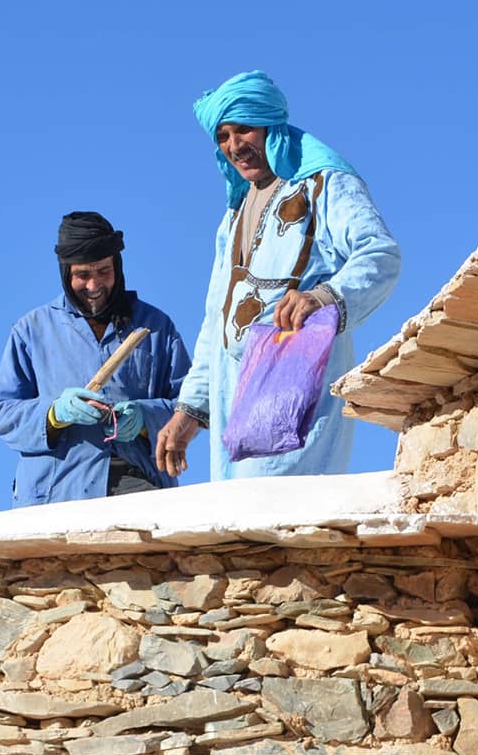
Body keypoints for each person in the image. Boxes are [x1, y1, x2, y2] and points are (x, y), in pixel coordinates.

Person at [154, 70, 401, 481]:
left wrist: (324, 296)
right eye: (223, 136)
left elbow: (380, 254)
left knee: (281, 519)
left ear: (270, 126)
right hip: (230, 394)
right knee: (235, 530)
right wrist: (190, 411)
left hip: (293, 382)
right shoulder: (232, 217)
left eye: (244, 130)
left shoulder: (324, 183)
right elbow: (216, 319)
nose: (234, 147)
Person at [0, 212, 193, 506]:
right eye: (82, 275)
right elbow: (4, 413)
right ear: (65, 274)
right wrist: (53, 414)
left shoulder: (157, 327)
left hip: (139, 485)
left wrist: (145, 418)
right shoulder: (31, 330)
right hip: (53, 494)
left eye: (104, 272)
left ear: (117, 267)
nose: (94, 285)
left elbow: (191, 406)